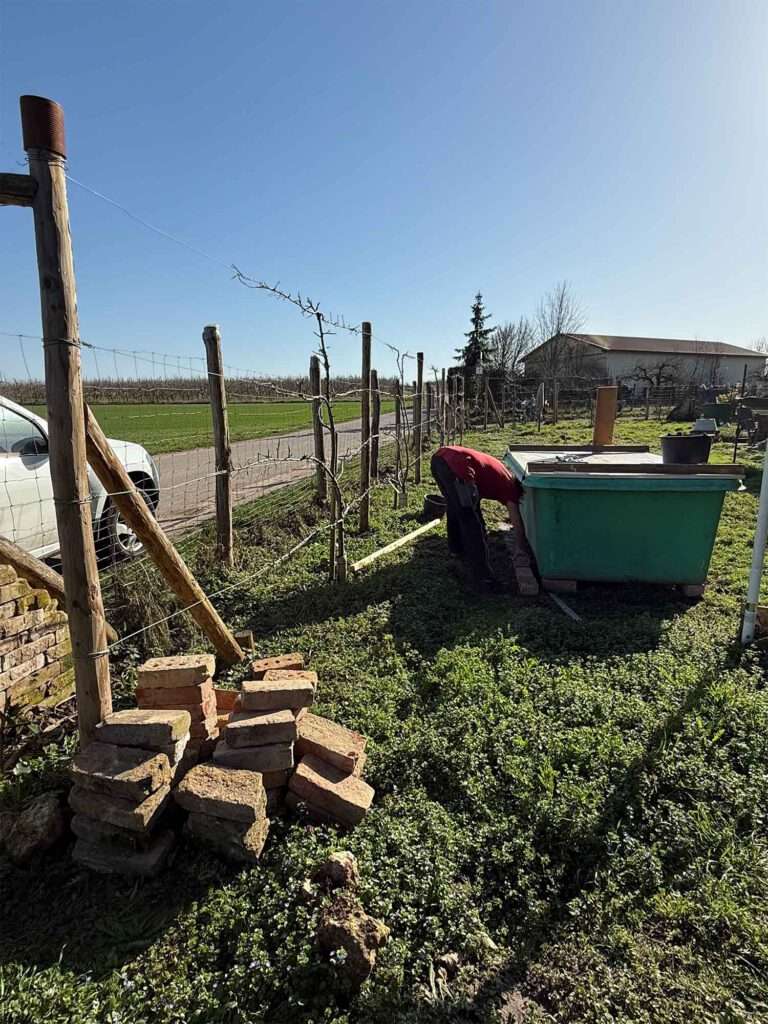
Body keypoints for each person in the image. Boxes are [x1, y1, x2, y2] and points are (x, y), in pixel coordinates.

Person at [430, 445, 524, 589]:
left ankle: (457, 550)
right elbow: (515, 519)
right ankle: (483, 578)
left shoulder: (503, 475)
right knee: (471, 521)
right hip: (458, 468)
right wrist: (522, 546)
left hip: (439, 459)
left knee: (456, 508)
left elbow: (475, 493)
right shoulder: (510, 489)